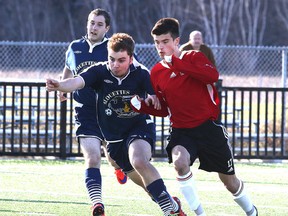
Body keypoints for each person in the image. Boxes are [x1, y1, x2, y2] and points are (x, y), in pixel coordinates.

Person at [47, 33, 186, 216]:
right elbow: (77, 81)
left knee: (139, 160)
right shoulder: (99, 71)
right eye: (112, 59)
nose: (115, 65)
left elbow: (156, 94)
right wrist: (59, 85)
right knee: (142, 181)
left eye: (121, 60)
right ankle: (171, 204)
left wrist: (154, 98)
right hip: (113, 137)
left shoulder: (141, 73)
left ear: (131, 58)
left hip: (138, 126)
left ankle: (168, 211)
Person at [130, 18, 258, 216]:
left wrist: (178, 64)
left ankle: (252, 212)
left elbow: (212, 76)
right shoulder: (156, 72)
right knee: (180, 163)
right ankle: (199, 214)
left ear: (176, 41)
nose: (160, 47)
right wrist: (142, 107)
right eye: (157, 42)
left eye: (165, 42)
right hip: (181, 131)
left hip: (209, 128)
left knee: (230, 183)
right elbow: (164, 110)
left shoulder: (194, 57)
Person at [58, 8, 127, 215]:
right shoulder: (75, 47)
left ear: (107, 28)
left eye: (99, 24)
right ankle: (97, 204)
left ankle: (116, 166)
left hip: (109, 111)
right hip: (85, 112)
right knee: (92, 157)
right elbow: (69, 70)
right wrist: (62, 88)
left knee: (114, 158)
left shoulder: (113, 48)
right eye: (91, 22)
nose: (93, 27)